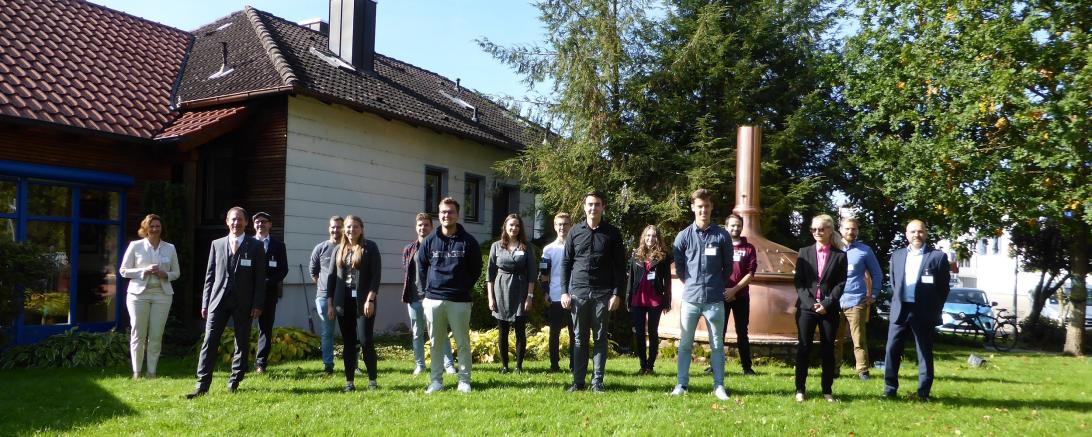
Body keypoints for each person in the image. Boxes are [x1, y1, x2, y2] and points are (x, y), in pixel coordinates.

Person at [188, 207, 266, 399]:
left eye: (239, 219)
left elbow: (260, 278)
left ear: (246, 222)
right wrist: (205, 302)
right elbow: (210, 276)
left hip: (244, 302)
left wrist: (257, 304)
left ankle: (234, 381)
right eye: (233, 219)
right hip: (218, 300)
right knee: (209, 340)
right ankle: (202, 385)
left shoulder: (255, 246)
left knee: (241, 342)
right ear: (227, 222)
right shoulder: (217, 244)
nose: (236, 223)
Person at [561, 191, 626, 393]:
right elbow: (566, 263)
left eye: (597, 204)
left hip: (602, 294)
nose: (593, 208)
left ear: (602, 207)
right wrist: (564, 292)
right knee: (579, 339)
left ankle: (597, 381)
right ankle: (578, 382)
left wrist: (616, 293)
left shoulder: (612, 233)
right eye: (590, 204)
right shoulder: (574, 232)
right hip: (578, 293)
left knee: (600, 339)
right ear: (584, 207)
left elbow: (620, 266)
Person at [671, 189, 733, 400]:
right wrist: (692, 283)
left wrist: (716, 285)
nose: (703, 210)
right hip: (690, 299)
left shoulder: (722, 236)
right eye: (699, 206)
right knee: (685, 344)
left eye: (706, 206)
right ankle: (681, 384)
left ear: (711, 207)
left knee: (717, 345)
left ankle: (719, 386)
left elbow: (728, 267)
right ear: (693, 208)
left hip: (714, 300)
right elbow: (680, 268)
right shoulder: (683, 236)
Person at [417, 197, 482, 394]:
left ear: (457, 214)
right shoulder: (429, 241)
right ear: (439, 215)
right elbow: (421, 267)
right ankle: (436, 381)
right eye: (443, 212)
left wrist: (463, 287)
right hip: (433, 299)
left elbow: (476, 269)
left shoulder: (468, 241)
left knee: (462, 343)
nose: (447, 215)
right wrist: (424, 293)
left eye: (451, 211)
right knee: (435, 343)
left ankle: (464, 381)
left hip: (459, 300)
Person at [883, 219, 951, 402]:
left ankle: (923, 393)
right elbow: (894, 283)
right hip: (900, 309)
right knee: (891, 350)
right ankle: (889, 390)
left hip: (923, 311)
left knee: (924, 352)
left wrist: (934, 308)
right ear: (906, 234)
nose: (916, 235)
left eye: (920, 231)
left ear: (925, 233)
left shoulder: (937, 257)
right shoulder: (897, 255)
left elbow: (943, 288)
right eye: (912, 232)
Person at [793, 214, 848, 402]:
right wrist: (811, 304)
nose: (817, 232)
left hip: (829, 309)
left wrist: (826, 303)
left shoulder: (840, 256)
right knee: (803, 348)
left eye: (821, 229)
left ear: (830, 230)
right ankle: (800, 389)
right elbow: (799, 282)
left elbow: (841, 283)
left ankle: (827, 391)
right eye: (813, 229)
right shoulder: (804, 252)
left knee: (828, 350)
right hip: (806, 308)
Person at [120, 214, 180, 380]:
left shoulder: (170, 248)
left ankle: (152, 372)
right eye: (151, 226)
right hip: (138, 295)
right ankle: (137, 372)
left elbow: (176, 273)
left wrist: (164, 274)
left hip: (162, 295)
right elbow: (123, 271)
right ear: (145, 228)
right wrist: (143, 271)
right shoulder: (135, 246)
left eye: (157, 226)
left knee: (156, 335)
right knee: (138, 333)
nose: (154, 229)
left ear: (161, 228)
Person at [325, 215, 382, 392]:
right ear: (345, 229)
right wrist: (330, 304)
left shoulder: (370, 247)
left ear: (361, 229)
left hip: (364, 301)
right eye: (349, 227)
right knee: (348, 343)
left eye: (355, 226)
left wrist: (371, 299)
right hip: (343, 302)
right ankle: (349, 382)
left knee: (365, 340)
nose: (352, 230)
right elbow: (331, 279)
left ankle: (372, 381)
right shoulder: (338, 249)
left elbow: (376, 276)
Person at [401, 213, 456, 376]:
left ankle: (448, 364)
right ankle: (420, 365)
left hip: (435, 296)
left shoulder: (438, 246)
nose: (422, 227)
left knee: (440, 332)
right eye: (420, 225)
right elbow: (407, 272)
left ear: (431, 227)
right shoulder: (409, 249)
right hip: (414, 297)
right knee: (417, 333)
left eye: (426, 225)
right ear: (416, 227)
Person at [487, 214, 538, 373]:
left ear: (520, 228)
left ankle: (518, 366)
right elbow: (490, 274)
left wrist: (529, 296)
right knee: (502, 330)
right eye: (511, 225)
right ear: (505, 226)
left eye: (517, 225)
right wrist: (490, 297)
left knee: (520, 330)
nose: (514, 228)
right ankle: (504, 366)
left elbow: (532, 274)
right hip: (500, 290)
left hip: (520, 289)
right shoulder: (496, 246)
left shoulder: (526, 247)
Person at [835, 217, 883, 380]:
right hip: (834, 301)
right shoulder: (832, 248)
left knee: (859, 339)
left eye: (854, 229)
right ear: (840, 229)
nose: (851, 232)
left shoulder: (865, 250)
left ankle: (863, 371)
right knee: (835, 339)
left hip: (856, 301)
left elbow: (877, 274)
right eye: (848, 228)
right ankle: (833, 370)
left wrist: (873, 295)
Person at [627, 224, 671, 375]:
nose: (650, 238)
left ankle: (650, 366)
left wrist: (667, 301)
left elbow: (667, 280)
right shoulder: (636, 254)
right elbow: (631, 278)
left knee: (653, 332)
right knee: (639, 333)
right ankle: (642, 364)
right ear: (643, 237)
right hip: (638, 298)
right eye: (648, 235)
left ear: (657, 238)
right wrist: (628, 298)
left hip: (655, 298)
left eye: (653, 236)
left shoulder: (663, 256)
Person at [721, 213, 758, 376]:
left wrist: (734, 290)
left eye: (738, 225)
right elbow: (713, 270)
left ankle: (747, 367)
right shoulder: (720, 246)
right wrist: (723, 291)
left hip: (741, 296)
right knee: (718, 332)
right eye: (733, 225)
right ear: (726, 227)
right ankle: (714, 365)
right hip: (721, 296)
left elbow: (750, 274)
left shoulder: (749, 248)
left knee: (742, 332)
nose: (736, 228)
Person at [252, 212, 288, 374]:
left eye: (264, 221)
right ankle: (240, 361)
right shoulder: (247, 242)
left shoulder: (278, 246)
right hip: (249, 292)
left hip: (269, 292)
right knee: (243, 327)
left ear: (270, 224)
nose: (260, 224)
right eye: (257, 222)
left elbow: (283, 269)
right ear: (254, 225)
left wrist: (269, 281)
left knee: (265, 328)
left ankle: (261, 363)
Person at [539, 212, 574, 373]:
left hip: (574, 295)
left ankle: (574, 365)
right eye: (559, 224)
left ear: (570, 226)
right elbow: (543, 274)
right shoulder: (548, 249)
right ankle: (554, 365)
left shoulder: (576, 247)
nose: (562, 227)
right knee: (554, 332)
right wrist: (545, 292)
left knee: (575, 333)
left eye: (565, 224)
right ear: (554, 226)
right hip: (554, 295)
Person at [310, 215, 343, 375]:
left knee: (350, 332)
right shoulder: (320, 248)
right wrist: (325, 287)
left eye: (338, 227)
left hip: (344, 297)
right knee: (327, 333)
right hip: (323, 297)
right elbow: (313, 272)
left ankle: (354, 364)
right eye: (333, 227)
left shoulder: (348, 247)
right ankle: (328, 365)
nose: (335, 230)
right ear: (329, 228)